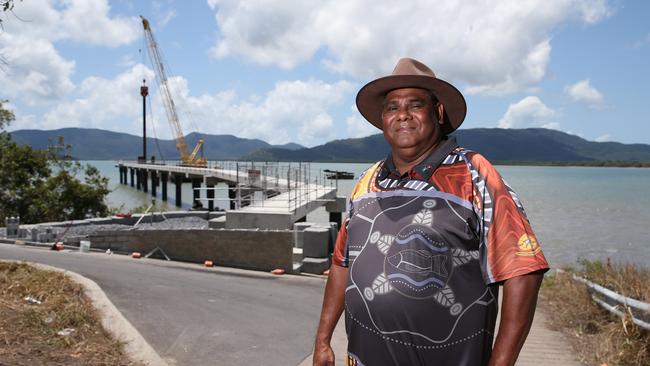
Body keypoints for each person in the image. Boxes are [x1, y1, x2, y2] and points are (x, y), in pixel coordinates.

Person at [313, 58, 549, 366]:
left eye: (415, 105)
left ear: (437, 112)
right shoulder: (367, 181)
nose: (403, 116)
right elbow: (343, 262)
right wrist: (322, 340)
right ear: (383, 118)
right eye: (392, 107)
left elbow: (523, 270)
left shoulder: (473, 173)